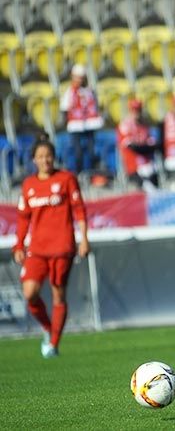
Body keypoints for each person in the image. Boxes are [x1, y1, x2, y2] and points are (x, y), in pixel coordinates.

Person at [12, 134, 90, 358]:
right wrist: (19, 244)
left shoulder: (66, 179)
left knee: (58, 295)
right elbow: (23, 218)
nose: (45, 160)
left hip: (62, 247)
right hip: (36, 249)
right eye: (40, 156)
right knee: (29, 293)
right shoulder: (29, 185)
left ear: (54, 158)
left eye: (48, 156)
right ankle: (48, 328)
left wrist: (83, 239)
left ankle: (54, 344)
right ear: (34, 160)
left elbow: (79, 211)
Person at [59, 63, 104, 174]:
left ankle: (92, 172)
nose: (79, 80)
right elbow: (64, 108)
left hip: (89, 125)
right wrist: (67, 121)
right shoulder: (70, 92)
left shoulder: (89, 91)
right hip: (75, 126)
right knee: (77, 151)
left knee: (91, 150)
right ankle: (78, 172)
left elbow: (94, 106)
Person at [116, 98, 158, 191]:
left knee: (155, 187)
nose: (136, 113)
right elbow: (132, 147)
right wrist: (144, 146)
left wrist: (144, 147)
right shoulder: (125, 125)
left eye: (138, 110)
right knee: (146, 190)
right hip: (133, 167)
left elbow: (153, 145)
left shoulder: (144, 125)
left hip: (148, 164)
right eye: (134, 110)